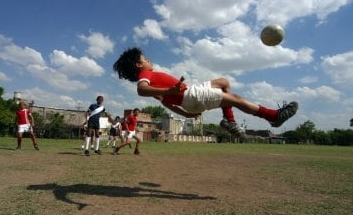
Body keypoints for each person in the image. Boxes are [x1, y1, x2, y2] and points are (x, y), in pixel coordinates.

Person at [113, 47, 298, 139]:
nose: (148, 60)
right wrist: (171, 90)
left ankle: (229, 121)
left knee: (223, 82)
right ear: (139, 65)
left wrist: (187, 114)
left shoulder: (152, 81)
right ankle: (273, 116)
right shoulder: (146, 74)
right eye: (145, 59)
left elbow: (166, 103)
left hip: (189, 97)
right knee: (235, 99)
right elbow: (141, 90)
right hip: (191, 96)